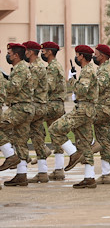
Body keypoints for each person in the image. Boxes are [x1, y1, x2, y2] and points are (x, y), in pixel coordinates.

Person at [50, 44, 98, 189]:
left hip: (83, 110)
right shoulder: (86, 70)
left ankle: (73, 153)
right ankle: (89, 178)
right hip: (87, 109)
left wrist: (72, 80)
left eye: (77, 55)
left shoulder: (87, 71)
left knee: (54, 129)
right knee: (85, 143)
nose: (76, 58)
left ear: (82, 56)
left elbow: (82, 90)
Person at [0, 43, 34, 186]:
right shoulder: (19, 68)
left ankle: (10, 156)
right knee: (20, 141)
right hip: (24, 108)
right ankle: (21, 174)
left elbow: (14, 88)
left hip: (20, 108)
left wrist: (1, 78)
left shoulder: (20, 68)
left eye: (10, 53)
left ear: (16, 55)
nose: (8, 55)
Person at [22, 41, 49, 184]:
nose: (24, 54)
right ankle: (43, 172)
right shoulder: (36, 66)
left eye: (25, 51)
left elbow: (28, 87)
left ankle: (21, 166)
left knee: (18, 132)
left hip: (35, 106)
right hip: (39, 105)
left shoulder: (36, 68)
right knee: (37, 137)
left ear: (30, 52)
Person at [40, 41, 67, 180]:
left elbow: (48, 86)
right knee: (56, 136)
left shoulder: (52, 67)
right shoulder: (57, 65)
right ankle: (58, 169)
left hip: (51, 105)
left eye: (43, 51)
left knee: (33, 123)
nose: (42, 53)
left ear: (49, 52)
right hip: (58, 105)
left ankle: (43, 150)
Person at [92, 44, 110, 184]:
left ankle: (91, 144)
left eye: (96, 54)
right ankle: (107, 174)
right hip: (106, 109)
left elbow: (97, 88)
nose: (94, 57)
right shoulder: (104, 68)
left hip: (103, 109)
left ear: (102, 56)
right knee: (105, 141)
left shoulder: (105, 70)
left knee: (79, 119)